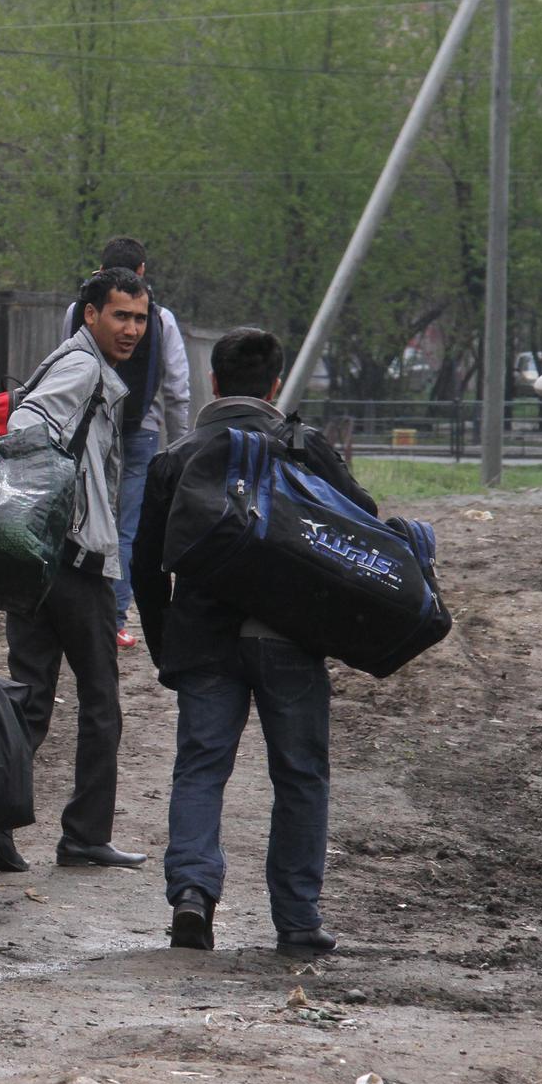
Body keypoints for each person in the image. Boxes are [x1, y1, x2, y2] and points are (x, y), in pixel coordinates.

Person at [132, 327, 376, 954]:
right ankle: (297, 919)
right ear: (275, 385)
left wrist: (168, 648)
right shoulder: (305, 447)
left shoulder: (176, 458)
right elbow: (362, 527)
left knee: (201, 769)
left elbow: (146, 565)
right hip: (290, 641)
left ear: (213, 384)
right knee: (300, 775)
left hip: (205, 645)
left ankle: (191, 894)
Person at [0, 266, 149, 876]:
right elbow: (26, 429)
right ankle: (84, 836)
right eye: (120, 315)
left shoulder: (68, 360)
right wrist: (66, 512)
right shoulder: (81, 368)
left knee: (32, 698)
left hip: (39, 561)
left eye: (140, 318)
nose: (131, 329)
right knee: (101, 704)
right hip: (75, 564)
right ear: (91, 314)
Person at [61, 236, 191, 651]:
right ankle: (115, 619)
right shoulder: (161, 318)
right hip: (142, 430)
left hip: (89, 426)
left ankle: (76, 611)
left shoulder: (77, 312)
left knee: (80, 516)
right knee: (126, 527)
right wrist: (181, 447)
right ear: (142, 272)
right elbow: (177, 387)